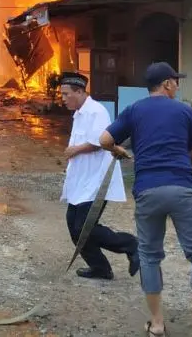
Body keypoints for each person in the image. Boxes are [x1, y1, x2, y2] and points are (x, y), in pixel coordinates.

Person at [100, 62, 192, 337]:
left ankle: (156, 324)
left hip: (147, 190)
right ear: (166, 84)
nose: (177, 85)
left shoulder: (134, 110)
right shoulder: (185, 111)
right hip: (182, 189)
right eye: (176, 81)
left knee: (149, 255)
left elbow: (104, 139)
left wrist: (119, 150)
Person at [58, 71, 139, 280]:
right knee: (73, 225)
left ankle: (130, 244)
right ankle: (100, 268)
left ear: (79, 91)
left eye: (66, 94)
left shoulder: (96, 111)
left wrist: (75, 150)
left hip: (96, 180)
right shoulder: (79, 113)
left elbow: (99, 142)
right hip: (81, 180)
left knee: (84, 227)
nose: (63, 99)